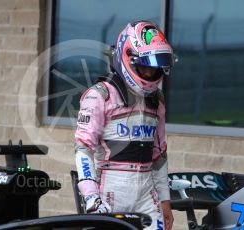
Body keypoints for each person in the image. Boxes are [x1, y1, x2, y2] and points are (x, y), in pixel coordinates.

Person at [74, 21, 175, 230]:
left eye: (155, 67)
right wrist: (92, 198)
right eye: (145, 66)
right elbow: (84, 148)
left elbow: (159, 154)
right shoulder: (100, 95)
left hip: (147, 193)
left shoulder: (158, 99)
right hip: (109, 192)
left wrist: (165, 200)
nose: (150, 73)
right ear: (128, 58)